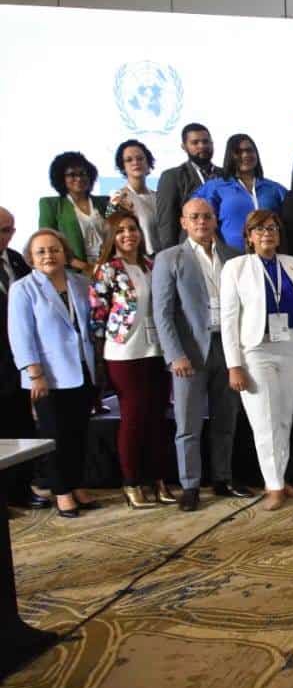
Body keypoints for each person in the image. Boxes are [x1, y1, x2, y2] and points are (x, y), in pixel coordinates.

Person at [152, 198, 250, 512]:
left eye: (207, 217)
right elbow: (163, 314)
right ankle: (190, 485)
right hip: (190, 354)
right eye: (194, 217)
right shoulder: (169, 258)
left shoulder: (233, 256)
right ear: (183, 222)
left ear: (215, 220)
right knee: (188, 424)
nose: (201, 222)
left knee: (226, 420)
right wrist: (174, 355)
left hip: (228, 348)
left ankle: (223, 478)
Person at [220, 210, 293, 511]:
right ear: (248, 236)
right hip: (255, 351)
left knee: (284, 419)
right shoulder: (236, 267)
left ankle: (280, 478)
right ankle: (272, 486)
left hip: (291, 348)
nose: (266, 234)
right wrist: (233, 364)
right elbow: (229, 319)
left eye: (272, 228)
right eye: (259, 230)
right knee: (264, 421)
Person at [6, 230, 98, 517]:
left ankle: (77, 483)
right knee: (54, 435)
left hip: (82, 370)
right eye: (41, 251)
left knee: (79, 433)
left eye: (54, 249)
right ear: (30, 258)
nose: (49, 255)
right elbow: (21, 335)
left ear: (64, 252)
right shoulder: (23, 288)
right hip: (47, 376)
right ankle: (61, 492)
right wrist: (34, 374)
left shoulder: (80, 283)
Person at [88, 211, 173, 508]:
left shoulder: (152, 264)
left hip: (157, 351)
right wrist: (99, 352)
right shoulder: (107, 269)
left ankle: (159, 479)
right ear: (113, 237)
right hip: (124, 352)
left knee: (157, 418)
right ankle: (132, 482)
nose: (128, 234)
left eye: (133, 228)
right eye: (121, 230)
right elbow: (98, 314)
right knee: (133, 418)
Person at [0, 206, 48, 509]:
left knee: (21, 426)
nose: (3, 236)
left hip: (19, 358)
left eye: (7, 230)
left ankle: (21, 489)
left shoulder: (16, 259)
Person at [194, 133, 288, 252]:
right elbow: (199, 219)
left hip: (271, 257)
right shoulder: (215, 187)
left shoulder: (275, 188)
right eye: (238, 152)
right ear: (230, 156)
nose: (245, 155)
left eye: (249, 151)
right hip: (231, 259)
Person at [38, 151, 110, 272]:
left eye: (83, 173)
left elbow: (116, 233)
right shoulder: (51, 205)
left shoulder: (104, 202)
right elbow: (47, 244)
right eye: (72, 175)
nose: (79, 178)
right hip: (73, 272)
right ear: (61, 178)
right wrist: (85, 267)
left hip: (107, 269)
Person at [154, 122, 222, 251]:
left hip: (224, 249)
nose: (202, 146)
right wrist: (171, 257)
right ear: (184, 147)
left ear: (212, 144)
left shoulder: (226, 175)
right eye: (195, 143)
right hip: (189, 251)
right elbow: (167, 223)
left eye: (206, 141)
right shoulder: (172, 177)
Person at [107, 140, 160, 255]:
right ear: (122, 166)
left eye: (140, 158)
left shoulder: (158, 197)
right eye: (129, 160)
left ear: (148, 163)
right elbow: (108, 232)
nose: (135, 162)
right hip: (138, 261)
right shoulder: (117, 198)